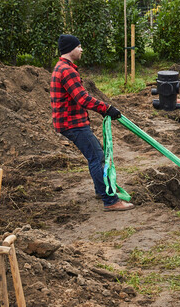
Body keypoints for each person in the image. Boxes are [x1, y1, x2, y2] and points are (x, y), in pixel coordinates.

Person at [50, 34, 134, 211]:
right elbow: (83, 98)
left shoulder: (63, 67)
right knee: (97, 157)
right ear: (70, 49)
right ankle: (110, 201)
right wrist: (107, 108)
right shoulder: (66, 70)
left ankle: (100, 190)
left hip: (70, 121)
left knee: (95, 155)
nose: (81, 49)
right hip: (72, 123)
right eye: (79, 46)